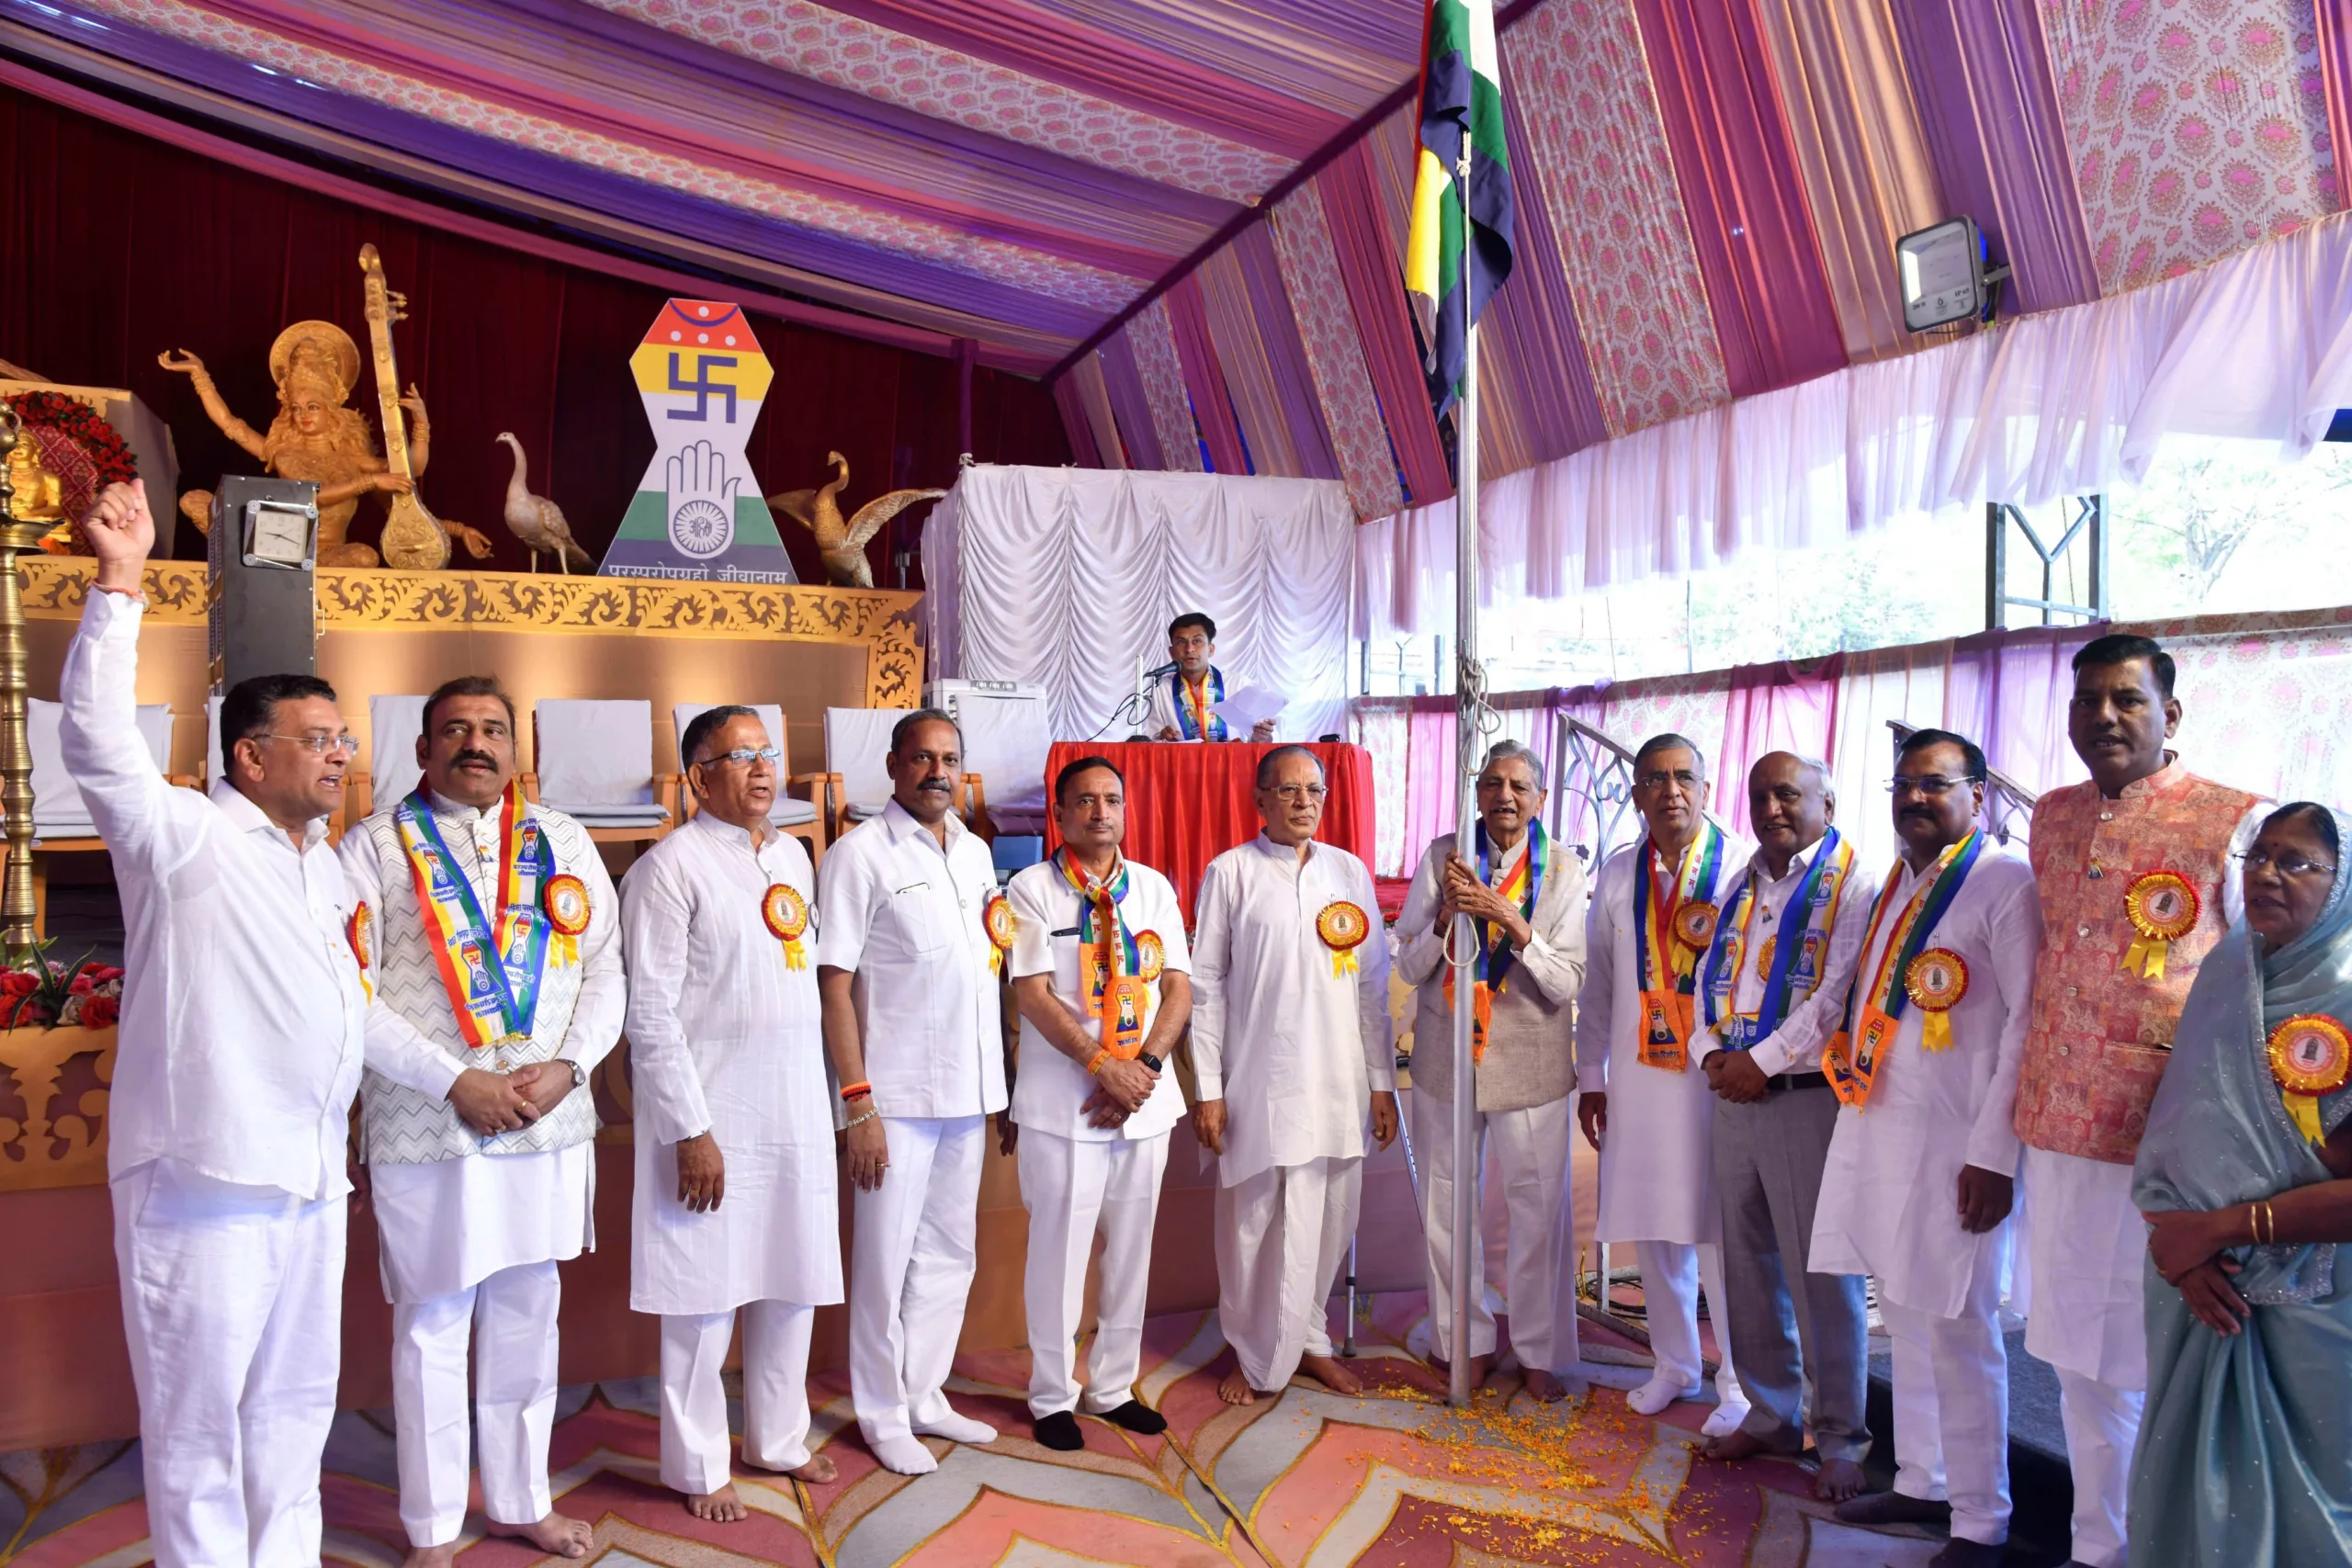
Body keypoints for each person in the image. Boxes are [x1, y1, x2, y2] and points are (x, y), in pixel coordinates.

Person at [62, 480, 387, 1568]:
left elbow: (352, 1012)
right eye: (317, 739)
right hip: (205, 1182)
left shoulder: (326, 868)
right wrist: (119, 583)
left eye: (343, 738)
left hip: (311, 1181)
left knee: (295, 1415)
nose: (340, 756)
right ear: (249, 755)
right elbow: (98, 747)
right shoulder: (183, 838)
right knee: (199, 1428)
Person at [342, 676, 626, 1568]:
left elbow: (607, 970)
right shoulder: (371, 847)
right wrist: (452, 1080)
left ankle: (521, 1500)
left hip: (546, 1119)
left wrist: (572, 1065)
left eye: (494, 729)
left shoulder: (563, 840)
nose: (477, 743)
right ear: (422, 749)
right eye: (456, 729)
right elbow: (348, 993)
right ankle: (431, 1527)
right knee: (432, 1325)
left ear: (515, 748)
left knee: (527, 1314)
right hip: (428, 1123)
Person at [2009, 633, 2263, 1568]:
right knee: (2074, 1352)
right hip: (2058, 1132)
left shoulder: (2234, 822)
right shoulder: (2051, 815)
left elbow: (2266, 986)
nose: (2104, 717)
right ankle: (2096, 1546)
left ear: (2170, 712)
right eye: (2087, 701)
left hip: (2175, 1147)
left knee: (2167, 1355)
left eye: (2126, 699)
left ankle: (2174, 1548)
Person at [1813, 728, 2043, 1568]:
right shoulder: (1900, 884)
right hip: (1884, 1130)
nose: (1914, 797)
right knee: (1906, 1312)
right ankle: (1922, 1479)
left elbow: (2026, 1023)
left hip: (1960, 1149)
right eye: (1903, 784)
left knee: (1959, 1327)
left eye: (1934, 783)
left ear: (1978, 795)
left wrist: (1996, 1154)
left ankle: (1981, 1520)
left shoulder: (2006, 882)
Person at [620, 707, 842, 1521]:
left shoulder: (791, 856)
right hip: (711, 1114)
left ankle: (778, 1437)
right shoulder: (668, 868)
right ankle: (698, 1464)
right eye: (739, 754)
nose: (761, 768)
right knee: (702, 1294)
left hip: (794, 1104)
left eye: (766, 752)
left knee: (792, 1276)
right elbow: (650, 1013)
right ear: (697, 776)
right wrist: (691, 1127)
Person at [2129, 803, 2352, 1568]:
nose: (2266, 874)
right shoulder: (2230, 966)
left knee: (2314, 1504)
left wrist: (2219, 1231)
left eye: (2296, 862)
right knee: (2192, 1486)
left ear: (2342, 882)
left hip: (2321, 1300)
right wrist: (2183, 1245)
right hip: (2203, 1283)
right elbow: (2181, 1125)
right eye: (2258, 855)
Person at [816, 708, 1005, 1475]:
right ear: (893, 765)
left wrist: (1002, 1082)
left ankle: (925, 1392)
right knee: (883, 1263)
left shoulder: (977, 852)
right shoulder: (858, 855)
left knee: (951, 1252)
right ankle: (882, 1411)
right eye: (922, 757)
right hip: (893, 1097)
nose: (937, 772)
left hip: (970, 1086)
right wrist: (857, 1102)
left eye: (949, 758)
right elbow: (834, 985)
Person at [1691, 753, 1879, 1501]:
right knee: (1748, 1262)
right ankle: (1770, 1414)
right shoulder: (1740, 882)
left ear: (1826, 803)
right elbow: (1707, 979)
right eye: (1760, 795)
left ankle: (1840, 1437)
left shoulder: (1853, 882)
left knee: (1820, 1269)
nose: (1771, 807)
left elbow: (1835, 993)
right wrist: (1710, 1054)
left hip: (1805, 1094)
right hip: (1733, 1093)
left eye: (1788, 794)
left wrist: (1760, 1062)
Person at [1192, 745, 1397, 1404]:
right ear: (1260, 800)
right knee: (1251, 1225)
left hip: (1339, 1082)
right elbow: (1204, 988)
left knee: (1332, 1217)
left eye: (1315, 790)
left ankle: (1308, 1341)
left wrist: (1381, 1083)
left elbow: (1372, 986)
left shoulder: (1348, 871)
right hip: (1261, 1080)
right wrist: (1208, 1089)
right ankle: (1251, 1351)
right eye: (1288, 790)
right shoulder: (1231, 872)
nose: (1304, 801)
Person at [1001, 757, 1193, 1449]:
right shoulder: (1030, 889)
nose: (1101, 812)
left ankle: (1113, 1387)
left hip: (1144, 1101)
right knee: (1058, 1254)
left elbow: (1177, 987)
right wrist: (1100, 1066)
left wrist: (1142, 1068)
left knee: (1131, 1254)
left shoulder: (1153, 888)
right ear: (1060, 813)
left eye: (1112, 799)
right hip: (1065, 1104)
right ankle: (1052, 1395)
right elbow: (1032, 994)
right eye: (1085, 800)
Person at [1394, 741, 1587, 1401]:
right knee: (1446, 1205)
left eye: (1519, 786)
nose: (1505, 796)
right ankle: (1461, 1342)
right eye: (1492, 783)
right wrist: (1446, 916)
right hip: (1447, 1052)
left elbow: (1568, 981)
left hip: (1531, 1056)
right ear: (1476, 793)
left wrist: (1510, 918)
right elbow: (1407, 963)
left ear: (1540, 798)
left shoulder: (1564, 869)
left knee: (1538, 1209)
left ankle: (1539, 1348)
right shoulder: (1443, 856)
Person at [1574, 733, 1750, 1433]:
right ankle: (1675, 1363)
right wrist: (1591, 1075)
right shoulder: (1620, 873)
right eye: (1655, 778)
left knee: (1721, 1230)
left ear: (1705, 787)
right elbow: (1599, 983)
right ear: (1636, 793)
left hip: (1716, 1077)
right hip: (1639, 1076)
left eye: (1683, 776)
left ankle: (1738, 1380)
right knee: (1653, 1222)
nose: (1671, 790)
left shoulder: (1740, 867)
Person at [1147, 613, 1276, 743]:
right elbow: (1153, 740)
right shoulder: (1161, 688)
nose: (1189, 649)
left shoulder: (1238, 684)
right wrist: (1162, 738)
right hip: (1182, 757)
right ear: (1171, 652)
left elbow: (1264, 738)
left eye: (1197, 641)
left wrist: (1261, 736)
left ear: (1211, 649)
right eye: (1181, 642)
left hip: (1232, 757)